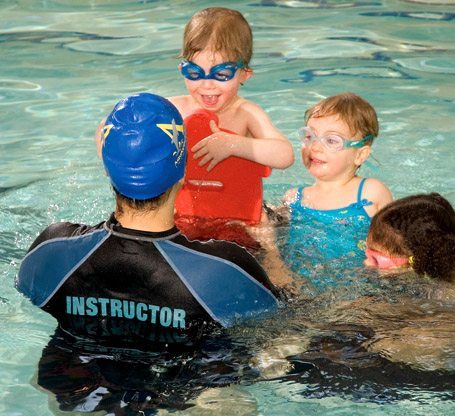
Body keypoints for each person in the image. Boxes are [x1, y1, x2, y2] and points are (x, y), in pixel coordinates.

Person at [17, 92, 281, 351]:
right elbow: (284, 325)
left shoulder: (51, 249)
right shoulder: (222, 269)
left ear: (107, 168)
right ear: (183, 171)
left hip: (71, 386)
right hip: (185, 390)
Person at [280, 92, 393, 282]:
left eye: (331, 141)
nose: (315, 147)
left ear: (360, 155)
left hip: (360, 289)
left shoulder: (370, 193)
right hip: (300, 288)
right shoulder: (293, 199)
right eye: (310, 136)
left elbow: (397, 246)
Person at [168, 7, 294, 172]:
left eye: (221, 74)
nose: (207, 85)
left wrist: (233, 144)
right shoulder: (173, 110)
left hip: (236, 196)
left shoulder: (246, 113)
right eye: (194, 73)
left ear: (244, 74)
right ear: (182, 70)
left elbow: (285, 155)